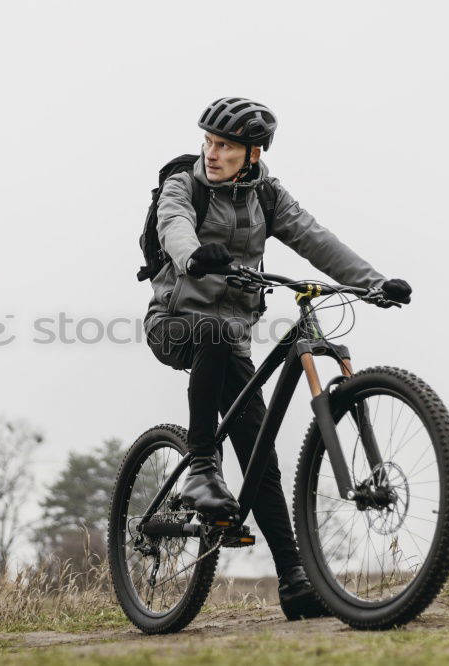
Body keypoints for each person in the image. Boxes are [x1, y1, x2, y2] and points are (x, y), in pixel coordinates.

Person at [143, 97, 412, 619]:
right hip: (175, 323)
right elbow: (172, 223)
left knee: (258, 448)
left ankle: (293, 581)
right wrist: (193, 253)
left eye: (225, 146)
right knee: (215, 336)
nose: (213, 153)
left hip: (230, 338)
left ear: (254, 152)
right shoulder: (184, 183)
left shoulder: (266, 193)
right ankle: (201, 466)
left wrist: (373, 282)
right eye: (210, 142)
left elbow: (314, 237)